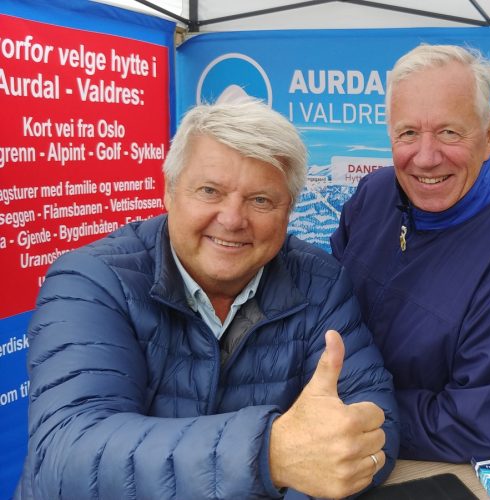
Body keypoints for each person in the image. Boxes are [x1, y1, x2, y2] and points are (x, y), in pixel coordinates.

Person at [16, 91, 398, 499]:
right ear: (169, 191)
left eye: (261, 200)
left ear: (289, 211)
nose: (233, 219)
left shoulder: (320, 282)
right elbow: (69, 452)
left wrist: (311, 475)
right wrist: (268, 455)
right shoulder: (92, 281)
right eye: (210, 191)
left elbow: (371, 423)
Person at [331, 44, 490, 462]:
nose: (425, 156)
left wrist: (345, 410)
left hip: (440, 474)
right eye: (408, 133)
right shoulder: (375, 196)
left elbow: (473, 424)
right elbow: (324, 306)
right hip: (349, 455)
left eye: (448, 132)